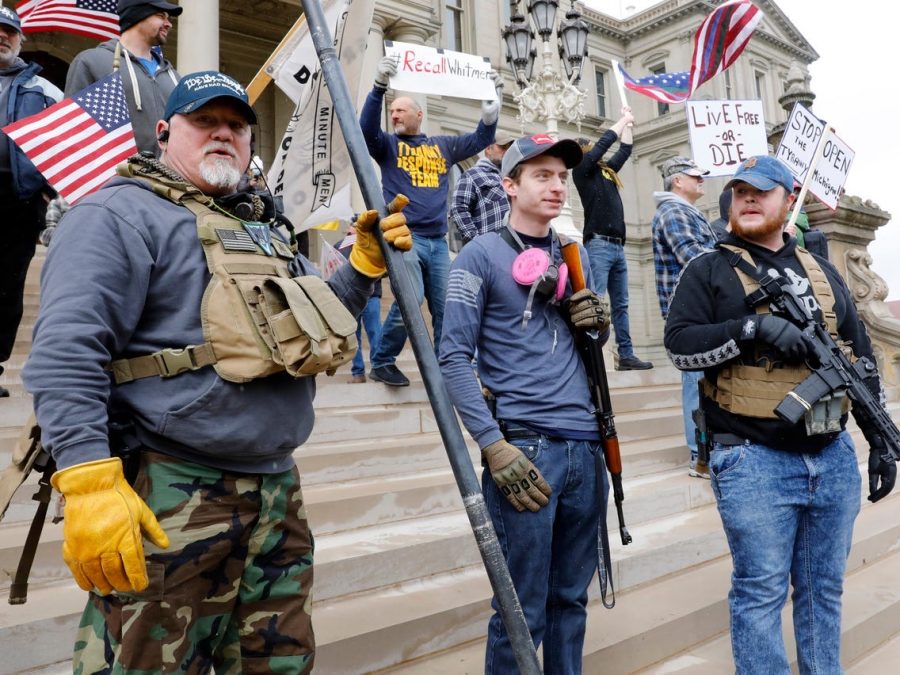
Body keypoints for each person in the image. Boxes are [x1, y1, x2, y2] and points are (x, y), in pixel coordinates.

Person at [22, 70, 411, 673]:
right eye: (204, 121)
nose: (223, 134)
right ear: (163, 132)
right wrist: (89, 480)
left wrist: (360, 268)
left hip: (276, 494)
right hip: (172, 492)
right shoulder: (116, 215)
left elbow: (311, 331)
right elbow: (66, 353)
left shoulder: (265, 228)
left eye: (237, 125)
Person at [664, 155, 896, 674]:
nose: (747, 198)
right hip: (752, 462)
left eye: (761, 191)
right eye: (740, 191)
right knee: (760, 594)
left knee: (823, 593)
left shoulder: (823, 272)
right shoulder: (707, 269)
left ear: (788, 200)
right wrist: (752, 330)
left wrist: (878, 438)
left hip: (830, 458)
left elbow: (859, 357)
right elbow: (679, 346)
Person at [440, 133, 611, 673]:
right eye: (542, 175)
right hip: (526, 449)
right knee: (521, 610)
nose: (557, 185)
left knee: (570, 602)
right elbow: (452, 359)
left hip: (587, 446)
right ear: (508, 186)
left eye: (562, 176)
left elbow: (588, 349)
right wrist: (492, 446)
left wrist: (598, 326)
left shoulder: (572, 252)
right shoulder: (480, 255)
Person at [360, 53, 500, 386]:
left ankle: (446, 367)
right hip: (403, 237)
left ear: (418, 115)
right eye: (391, 110)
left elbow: (481, 139)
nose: (394, 114)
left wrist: (492, 108)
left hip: (437, 243)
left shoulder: (444, 146)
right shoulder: (388, 146)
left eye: (400, 110)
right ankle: (382, 361)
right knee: (412, 297)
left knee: (445, 307)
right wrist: (378, 89)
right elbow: (365, 130)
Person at [0, 6, 62, 399]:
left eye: (9, 31)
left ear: (21, 38)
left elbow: (63, 146)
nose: (2, 37)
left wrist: (48, 188)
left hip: (16, 201)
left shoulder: (44, 89)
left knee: (6, 288)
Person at [651, 155, 718, 478]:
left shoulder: (685, 211)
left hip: (699, 309)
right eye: (695, 176)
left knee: (703, 379)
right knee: (696, 379)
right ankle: (699, 453)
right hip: (690, 312)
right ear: (677, 180)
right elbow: (694, 258)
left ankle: (706, 450)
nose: (701, 180)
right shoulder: (674, 212)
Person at [574, 106, 652, 371]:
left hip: (618, 246)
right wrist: (622, 120)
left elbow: (625, 150)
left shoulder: (606, 172)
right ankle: (593, 352)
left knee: (621, 304)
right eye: (589, 147)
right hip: (598, 244)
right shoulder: (582, 170)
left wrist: (628, 126)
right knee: (595, 301)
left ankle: (626, 355)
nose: (593, 148)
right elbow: (606, 143)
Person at [65, 0, 182, 154]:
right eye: (161, 16)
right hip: (119, 175)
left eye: (169, 19)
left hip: (169, 175)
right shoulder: (92, 62)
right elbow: (74, 129)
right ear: (137, 15)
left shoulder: (174, 77)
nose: (168, 24)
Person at [448, 131, 514, 243]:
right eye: (502, 147)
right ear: (488, 148)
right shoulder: (472, 175)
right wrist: (476, 242)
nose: (506, 152)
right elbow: (458, 208)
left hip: (515, 247)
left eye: (509, 148)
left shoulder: (513, 177)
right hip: (490, 248)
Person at [339, 223, 383, 383]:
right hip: (350, 296)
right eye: (353, 226)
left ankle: (379, 367)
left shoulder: (373, 242)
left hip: (371, 295)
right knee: (353, 335)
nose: (355, 229)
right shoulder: (341, 245)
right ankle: (358, 372)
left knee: (375, 332)